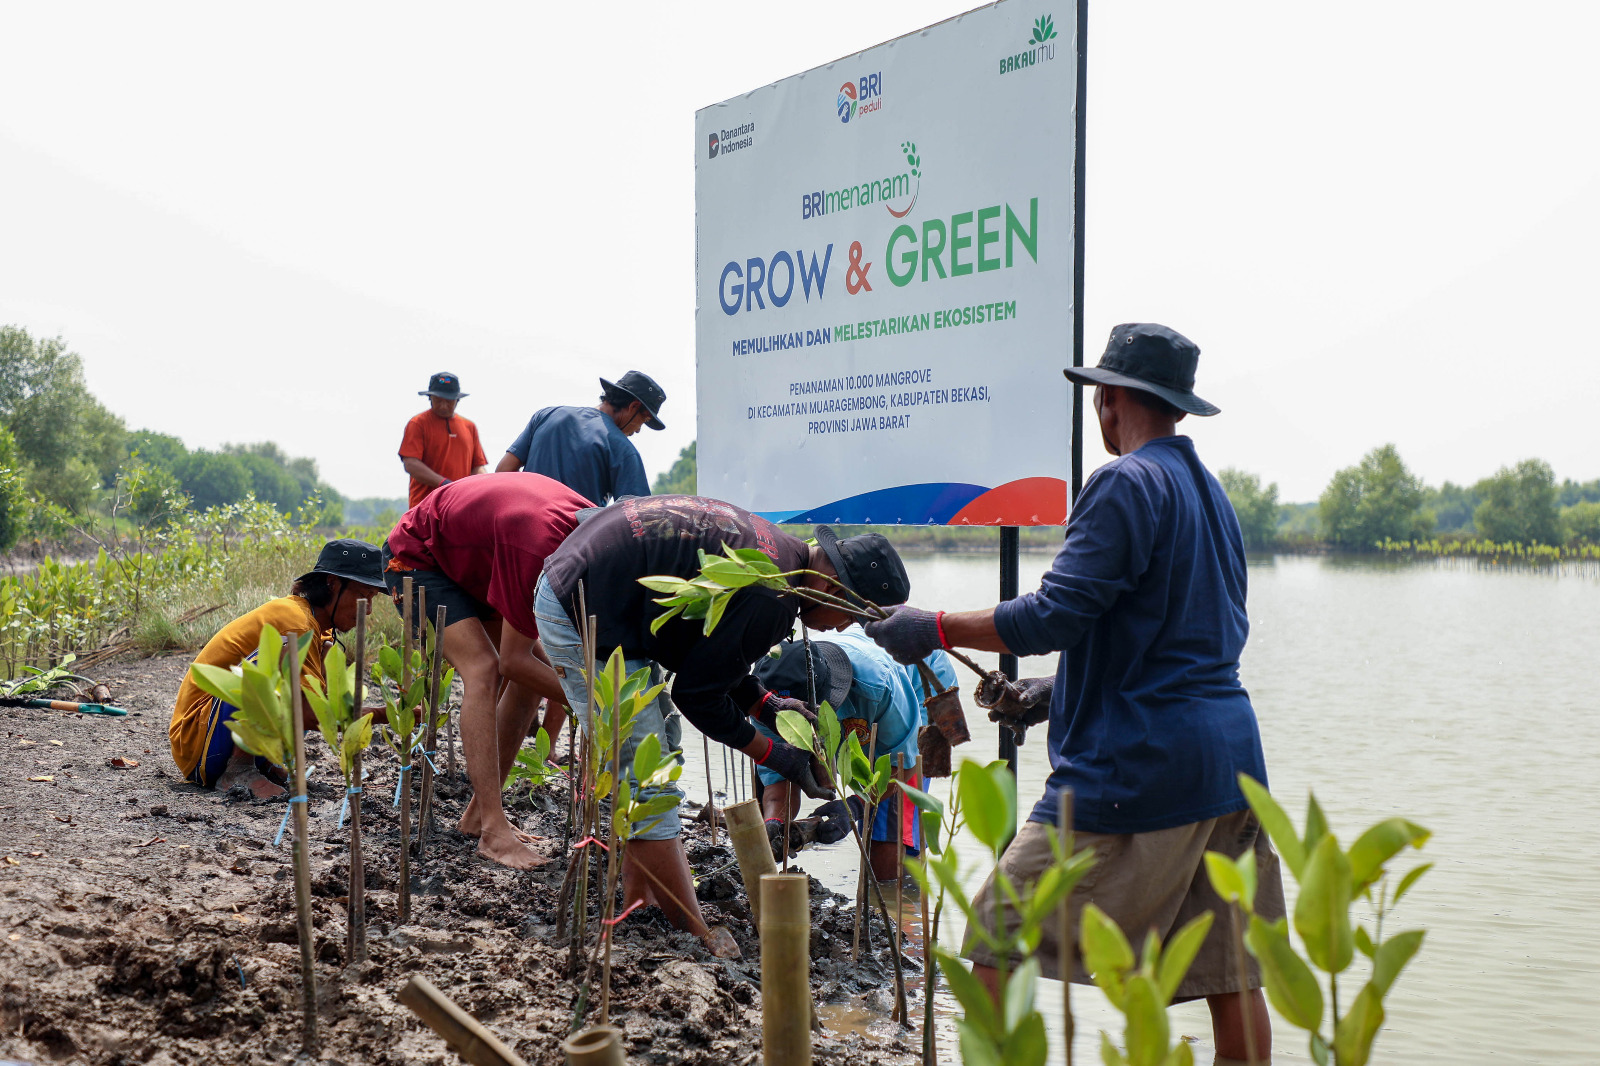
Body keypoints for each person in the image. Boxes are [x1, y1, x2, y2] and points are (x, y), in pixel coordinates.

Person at [863, 323, 1285, 1061]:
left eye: (1099, 397)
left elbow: (1052, 615)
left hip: (1137, 767)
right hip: (1232, 767)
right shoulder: (1213, 498)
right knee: (1230, 970)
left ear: (1112, 399)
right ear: (1179, 406)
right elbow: (1186, 641)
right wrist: (1050, 696)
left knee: (997, 927)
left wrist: (931, 626)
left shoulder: (1124, 481)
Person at [535, 495, 910, 958]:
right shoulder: (772, 597)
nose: (840, 629)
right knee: (646, 775)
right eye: (850, 616)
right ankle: (696, 934)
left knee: (659, 745)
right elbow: (698, 697)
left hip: (597, 588)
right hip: (581, 608)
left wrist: (767, 705)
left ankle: (638, 900)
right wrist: (777, 755)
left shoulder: (780, 557)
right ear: (832, 588)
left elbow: (707, 659)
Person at [383, 472, 592, 870]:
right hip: (417, 557)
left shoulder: (582, 529)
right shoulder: (540, 547)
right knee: (485, 669)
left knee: (531, 679)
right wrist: (594, 704)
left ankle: (478, 816)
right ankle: (495, 833)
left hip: (477, 564)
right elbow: (512, 660)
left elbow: (528, 665)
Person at [170, 540, 388, 800]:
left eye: (372, 599)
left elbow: (319, 704)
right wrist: (385, 714)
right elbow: (308, 713)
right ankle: (237, 769)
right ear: (332, 583)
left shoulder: (318, 627)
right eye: (364, 595)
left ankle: (263, 763)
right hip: (198, 740)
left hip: (217, 736)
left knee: (325, 657)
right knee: (281, 660)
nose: (369, 610)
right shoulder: (296, 624)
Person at [752, 628, 957, 877]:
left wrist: (854, 808)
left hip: (920, 679)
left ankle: (903, 896)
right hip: (863, 683)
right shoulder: (767, 702)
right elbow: (778, 785)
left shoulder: (878, 685)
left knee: (887, 842)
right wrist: (774, 823)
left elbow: (904, 765)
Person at [494, 371, 665, 504]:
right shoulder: (623, 450)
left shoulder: (547, 415)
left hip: (519, 534)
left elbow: (503, 471)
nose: (638, 431)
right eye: (644, 420)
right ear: (633, 406)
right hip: (571, 544)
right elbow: (638, 520)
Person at [400, 372, 488, 508]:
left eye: (448, 401)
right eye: (438, 400)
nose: (443, 406)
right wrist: (444, 484)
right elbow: (411, 463)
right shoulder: (418, 423)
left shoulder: (469, 427)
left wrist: (485, 485)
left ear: (457, 400)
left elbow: (477, 466)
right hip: (425, 507)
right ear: (430, 398)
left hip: (458, 506)